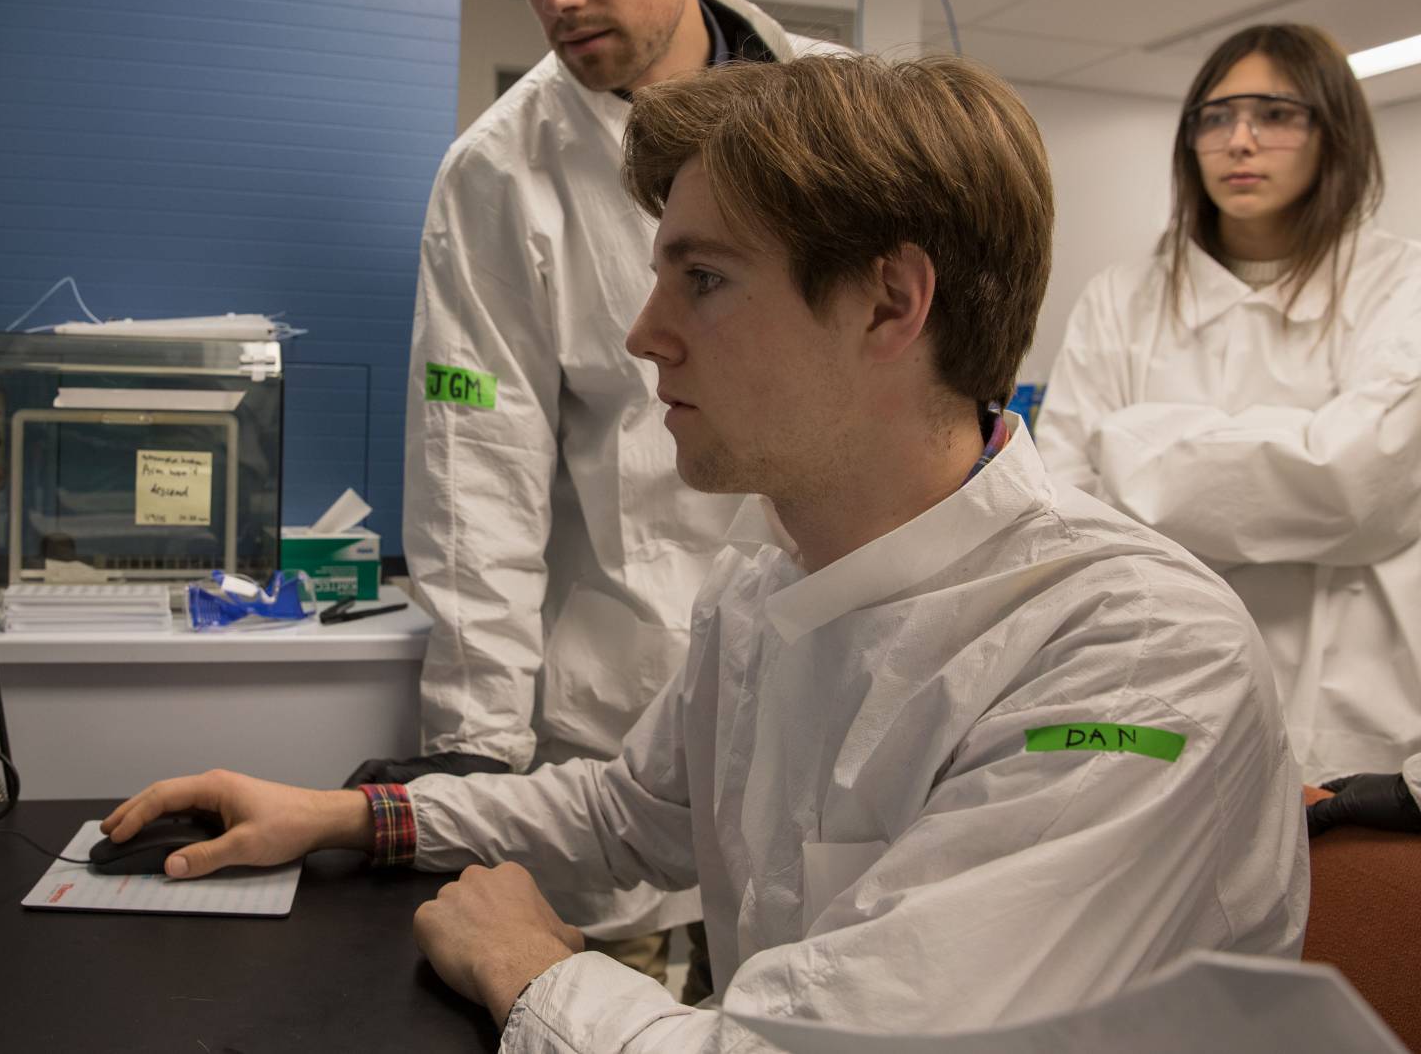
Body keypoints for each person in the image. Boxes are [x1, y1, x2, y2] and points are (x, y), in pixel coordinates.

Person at [109, 55, 1307, 1046]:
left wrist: (529, 970)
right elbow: (630, 815)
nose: (645, 334)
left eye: (706, 278)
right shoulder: (769, 581)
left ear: (892, 304)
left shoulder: (1131, 661)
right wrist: (347, 815)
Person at [343, 0, 836, 983]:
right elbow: (480, 483)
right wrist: (470, 754)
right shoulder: (500, 175)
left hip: (833, 692)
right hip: (614, 723)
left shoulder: (845, 117)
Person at [1035, 24, 1421, 787]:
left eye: (1275, 114)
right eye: (1215, 117)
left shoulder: (1403, 286)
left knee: (1353, 901)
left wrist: (1133, 445)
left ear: (1332, 132)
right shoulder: (1122, 299)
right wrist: (1294, 464)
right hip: (1149, 688)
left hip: (1352, 712)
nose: (1239, 141)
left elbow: (1358, 486)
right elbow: (1063, 513)